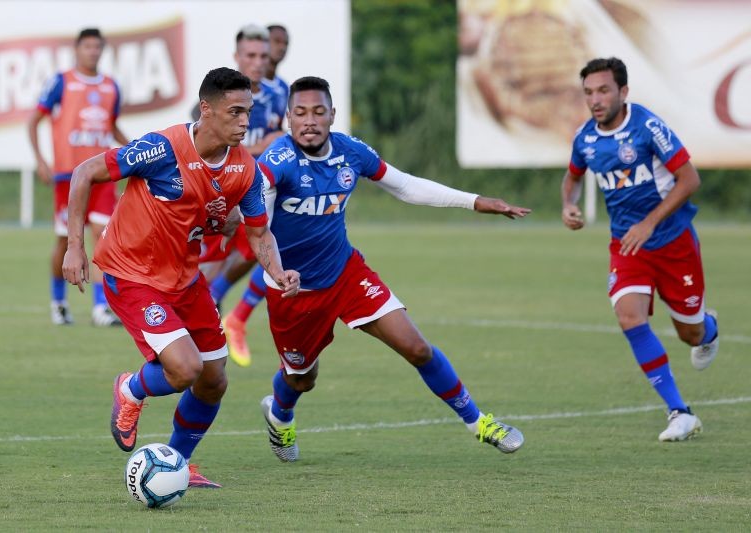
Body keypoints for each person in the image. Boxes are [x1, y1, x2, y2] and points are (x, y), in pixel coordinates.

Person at [256, 76, 531, 462]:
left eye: (319, 111)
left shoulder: (351, 153)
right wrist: (279, 270)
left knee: (416, 347)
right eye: (300, 113)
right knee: (301, 378)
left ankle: (479, 422)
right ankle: (280, 417)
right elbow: (258, 228)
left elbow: (404, 186)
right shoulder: (275, 163)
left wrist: (474, 201)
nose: (310, 121)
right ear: (288, 118)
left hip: (346, 273)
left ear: (333, 115)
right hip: (293, 291)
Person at [61, 67, 300, 487]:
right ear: (206, 109)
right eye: (236, 112)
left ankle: (178, 463)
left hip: (184, 281)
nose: (245, 122)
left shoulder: (245, 169)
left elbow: (259, 233)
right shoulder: (161, 148)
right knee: (185, 368)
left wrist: (277, 272)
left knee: (214, 380)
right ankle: (130, 389)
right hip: (131, 275)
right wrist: (75, 246)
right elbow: (84, 173)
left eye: (249, 112)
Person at [561, 57, 719, 442]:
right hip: (628, 246)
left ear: (623, 92)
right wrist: (569, 205)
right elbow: (572, 178)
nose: (595, 100)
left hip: (673, 243)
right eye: (588, 93)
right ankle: (680, 411)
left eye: (603, 91)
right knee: (630, 318)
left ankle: (709, 330)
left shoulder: (647, 126)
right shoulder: (585, 139)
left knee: (691, 333)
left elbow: (689, 178)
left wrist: (649, 222)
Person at [28, 28, 129, 327]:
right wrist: (40, 160)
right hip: (69, 178)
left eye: (98, 47)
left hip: (101, 176)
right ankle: (58, 302)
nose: (93, 52)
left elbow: (112, 127)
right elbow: (34, 121)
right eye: (88, 46)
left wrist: (136, 155)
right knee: (65, 241)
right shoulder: (62, 82)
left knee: (103, 239)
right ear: (77, 49)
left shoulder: (111, 87)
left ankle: (101, 308)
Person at [201, 24, 288, 367]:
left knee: (270, 245)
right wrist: (262, 145)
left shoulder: (278, 94)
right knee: (201, 268)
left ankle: (227, 312)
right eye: (250, 56)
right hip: (218, 192)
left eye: (263, 56)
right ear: (237, 57)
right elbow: (209, 147)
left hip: (255, 190)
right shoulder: (218, 96)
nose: (257, 62)